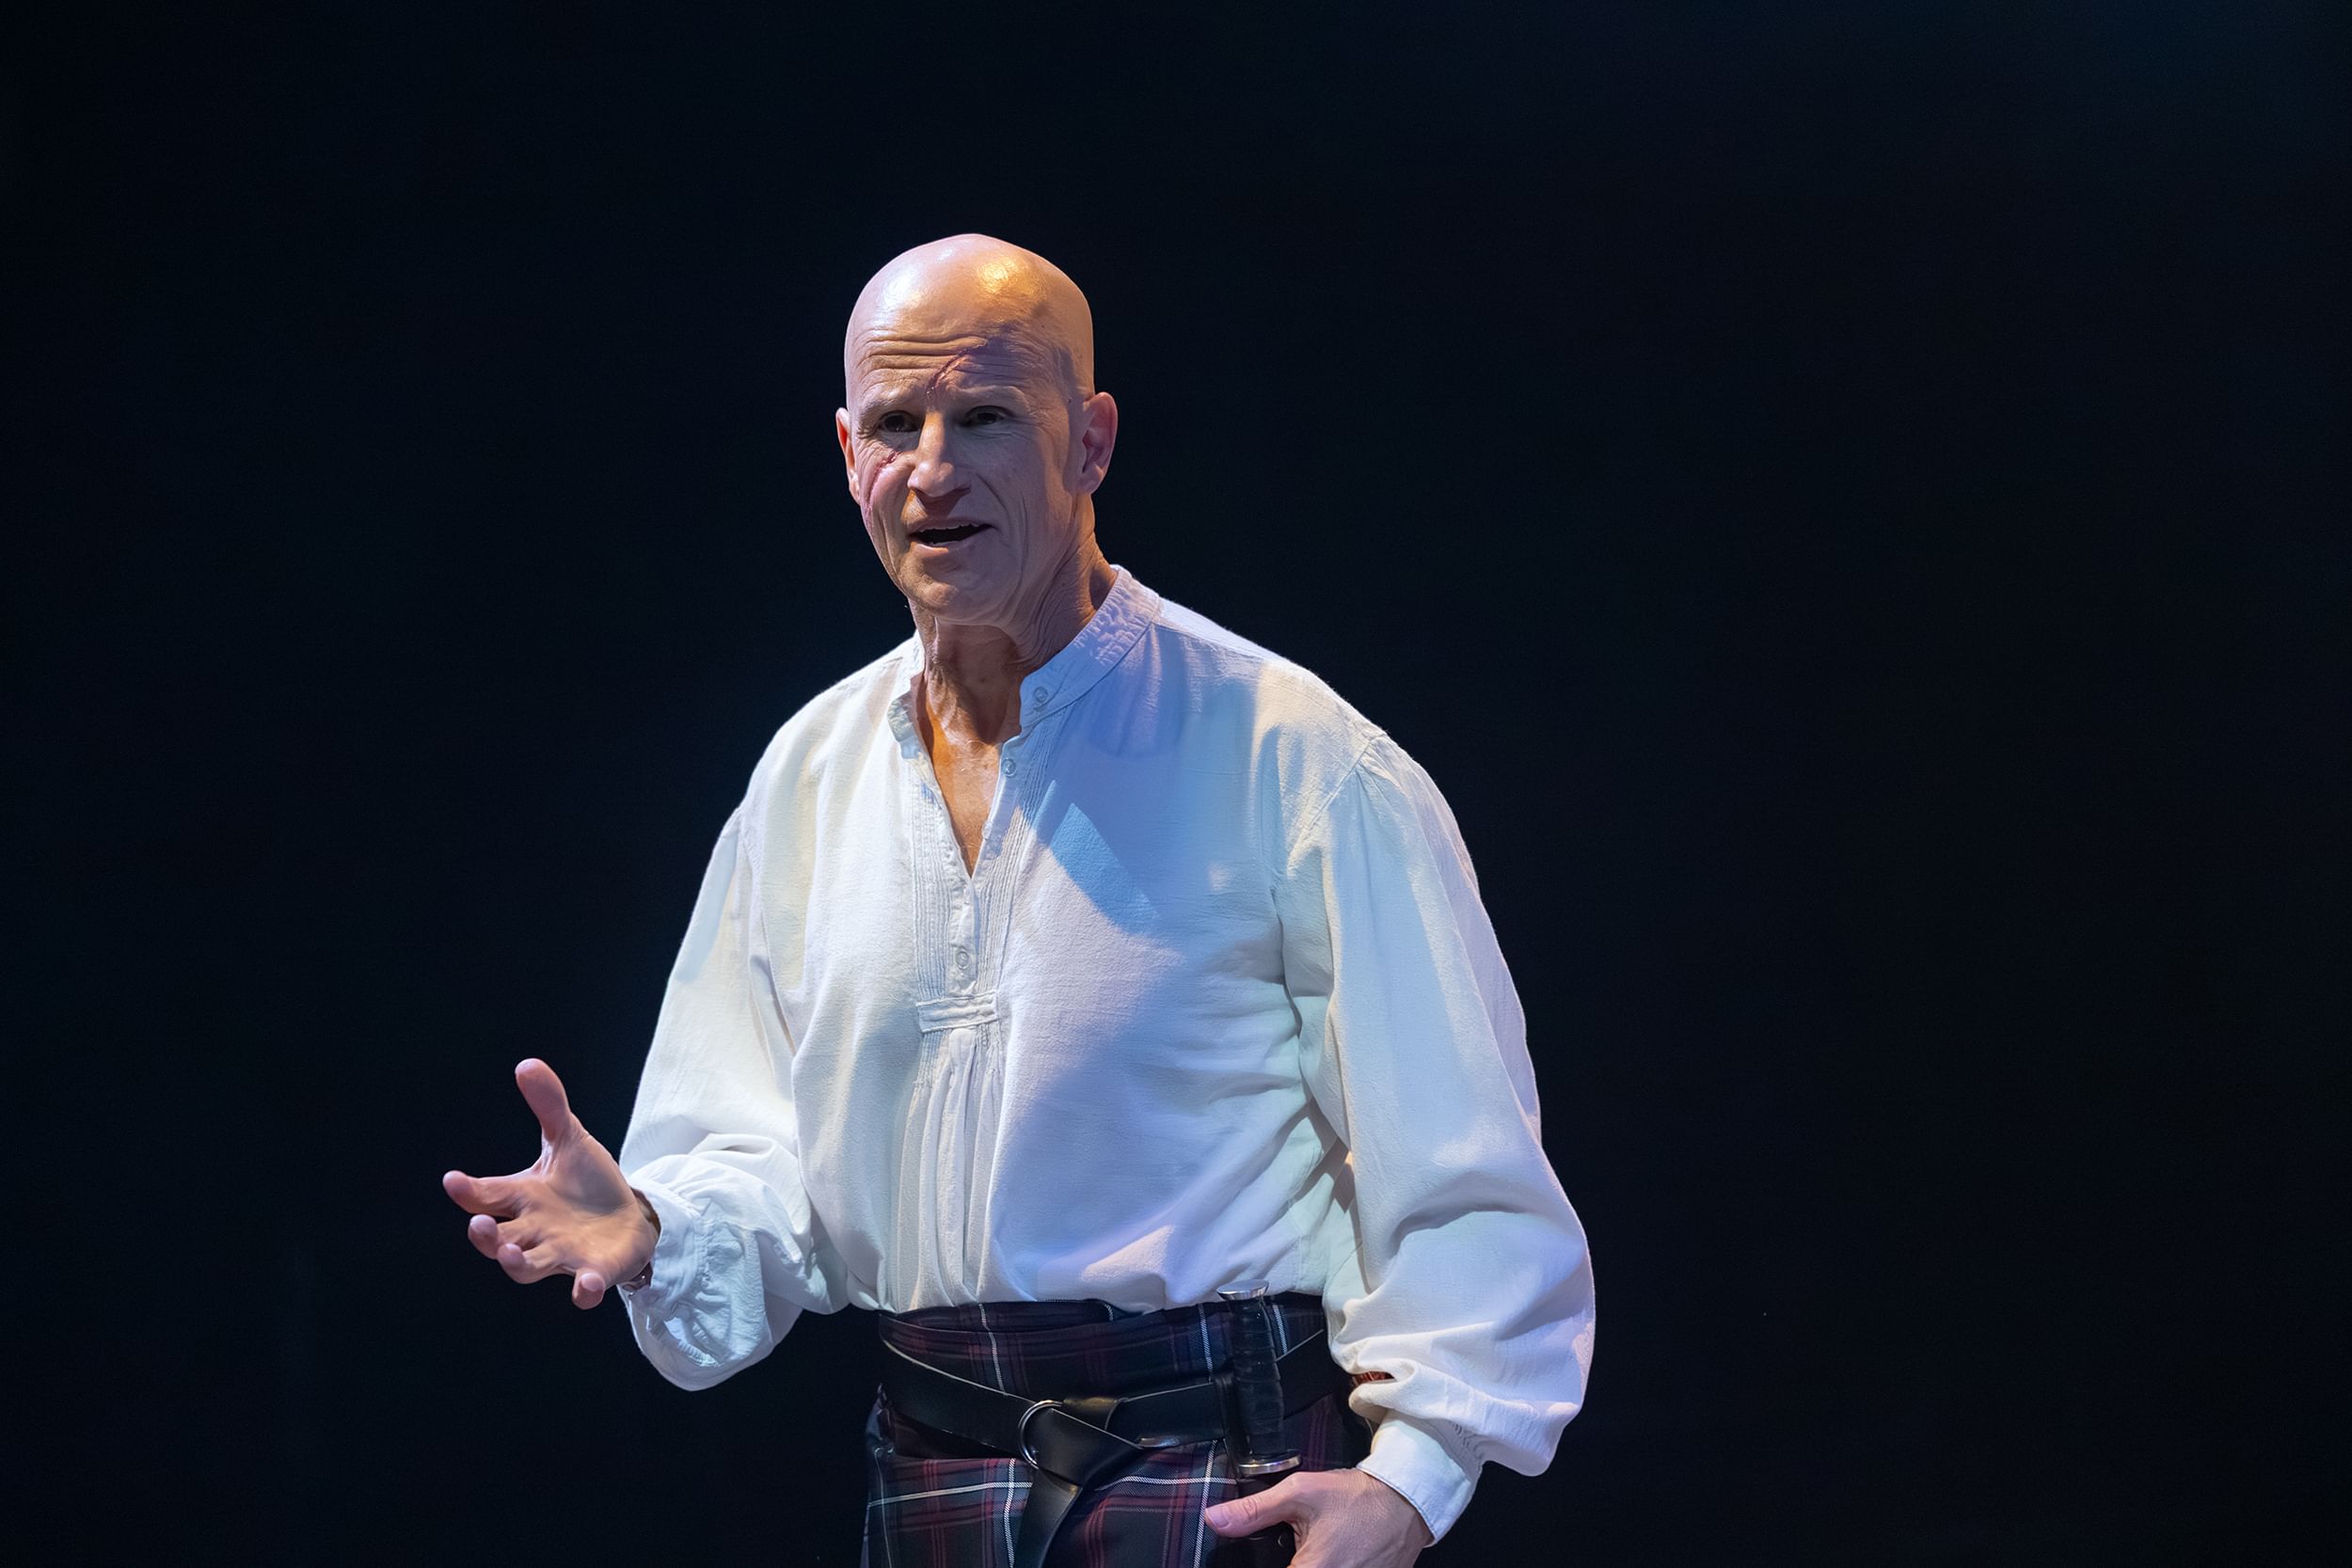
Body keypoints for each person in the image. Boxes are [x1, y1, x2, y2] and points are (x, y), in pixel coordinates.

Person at [442, 234, 1595, 1568]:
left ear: (1090, 442)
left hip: (1223, 1471)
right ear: (845, 453)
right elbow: (762, 1161)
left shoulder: (1295, 758)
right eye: (894, 423)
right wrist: (654, 1230)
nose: (931, 469)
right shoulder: (809, 775)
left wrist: (1416, 1478)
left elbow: (1460, 1164)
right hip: (935, 1465)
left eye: (983, 416)